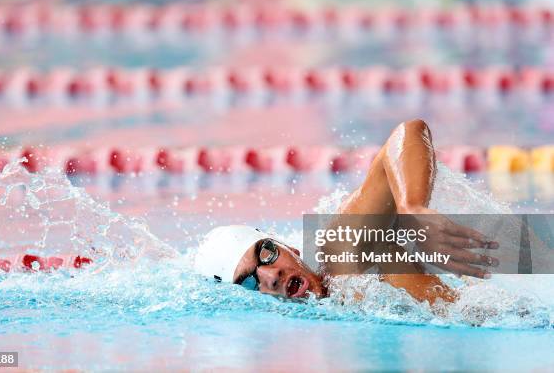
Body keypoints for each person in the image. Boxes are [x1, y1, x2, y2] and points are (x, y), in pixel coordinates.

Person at [194, 119, 499, 305]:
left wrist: (412, 208)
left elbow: (408, 132)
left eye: (267, 254)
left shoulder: (341, 251)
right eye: (250, 280)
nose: (272, 275)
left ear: (287, 246)